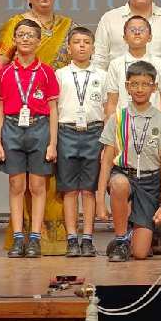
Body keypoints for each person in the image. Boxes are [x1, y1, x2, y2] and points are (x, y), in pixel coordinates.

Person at [0, 0, 73, 255]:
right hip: (17, 110)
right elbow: (0, 64)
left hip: (52, 109)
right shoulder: (16, 25)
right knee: (18, 183)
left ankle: (46, 239)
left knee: (48, 180)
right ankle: (20, 236)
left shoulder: (68, 25)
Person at [97, 61, 161, 262]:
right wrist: (99, 201)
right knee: (120, 184)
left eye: (145, 84)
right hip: (124, 175)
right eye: (135, 84)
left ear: (154, 87)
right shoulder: (118, 118)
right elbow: (106, 161)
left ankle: (140, 230)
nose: (140, 89)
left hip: (150, 183)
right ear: (127, 86)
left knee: (140, 254)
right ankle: (121, 238)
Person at [0, 20, 59, 258]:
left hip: (39, 128)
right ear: (14, 39)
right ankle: (18, 237)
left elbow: (53, 109)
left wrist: (52, 143)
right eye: (20, 35)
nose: (25, 39)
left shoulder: (46, 72)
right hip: (12, 128)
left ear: (38, 40)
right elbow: (0, 107)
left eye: (30, 35)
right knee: (16, 185)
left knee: (37, 185)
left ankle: (34, 238)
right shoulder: (5, 73)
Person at [54, 26, 106, 258]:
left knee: (89, 189)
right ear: (69, 47)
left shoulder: (102, 75)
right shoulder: (60, 74)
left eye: (86, 42)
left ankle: (87, 238)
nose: (82, 45)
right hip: (66, 132)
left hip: (94, 132)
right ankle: (71, 237)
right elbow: (54, 109)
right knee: (69, 190)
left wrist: (106, 141)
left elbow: (107, 109)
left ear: (93, 47)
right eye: (77, 41)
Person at [104, 15, 161, 114]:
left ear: (150, 37)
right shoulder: (115, 64)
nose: (137, 33)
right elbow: (112, 102)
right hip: (124, 124)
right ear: (124, 38)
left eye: (142, 30)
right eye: (132, 30)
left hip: (153, 123)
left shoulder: (160, 64)